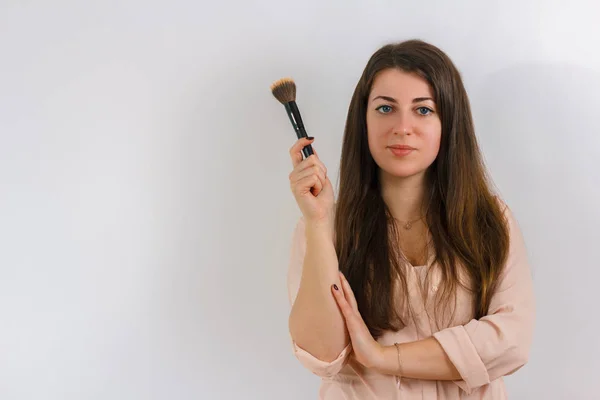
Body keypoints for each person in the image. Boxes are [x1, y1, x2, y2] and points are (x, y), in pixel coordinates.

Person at [286, 39, 535, 399]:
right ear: (364, 120)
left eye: (423, 110)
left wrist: (383, 358)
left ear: (449, 122)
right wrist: (319, 224)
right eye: (386, 108)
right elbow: (321, 354)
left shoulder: (489, 220)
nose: (403, 127)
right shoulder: (324, 227)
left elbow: (510, 341)